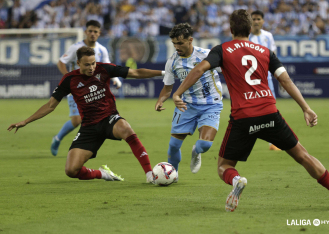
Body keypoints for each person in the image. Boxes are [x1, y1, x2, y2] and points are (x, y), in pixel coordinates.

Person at [172, 9, 329, 212]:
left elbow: (198, 69)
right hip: (269, 113)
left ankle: (237, 180)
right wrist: (306, 108)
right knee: (303, 155)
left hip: (243, 117)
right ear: (250, 29)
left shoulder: (222, 50)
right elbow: (285, 80)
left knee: (224, 166)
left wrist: (178, 93)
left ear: (231, 29)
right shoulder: (265, 51)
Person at [8, 46, 165, 183]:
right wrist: (25, 121)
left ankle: (150, 175)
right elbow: (50, 105)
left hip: (109, 119)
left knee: (126, 128)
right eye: (87, 64)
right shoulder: (69, 80)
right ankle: (102, 174)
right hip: (89, 127)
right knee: (71, 170)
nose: (91, 67)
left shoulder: (104, 69)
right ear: (78, 64)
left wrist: (164, 73)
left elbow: (136, 73)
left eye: (93, 63)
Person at [155, 23, 223, 181]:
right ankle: (173, 176)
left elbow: (228, 69)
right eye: (174, 43)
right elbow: (167, 88)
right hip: (186, 105)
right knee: (173, 146)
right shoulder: (172, 61)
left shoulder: (206, 55)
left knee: (204, 145)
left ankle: (196, 152)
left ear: (190, 40)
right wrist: (160, 100)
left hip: (211, 105)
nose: (176, 47)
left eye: (180, 43)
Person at [51, 20, 122, 156]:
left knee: (93, 119)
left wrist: (115, 78)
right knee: (77, 119)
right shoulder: (76, 48)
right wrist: (69, 79)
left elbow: (108, 68)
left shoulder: (102, 50)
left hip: (93, 91)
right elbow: (61, 62)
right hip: (77, 90)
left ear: (99, 33)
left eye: (95, 31)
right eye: (90, 31)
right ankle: (58, 139)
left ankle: (86, 148)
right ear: (85, 32)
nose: (92, 34)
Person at [249, 10, 280, 151]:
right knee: (251, 107)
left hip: (266, 77)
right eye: (254, 19)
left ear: (263, 21)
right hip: (249, 79)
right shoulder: (246, 37)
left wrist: (278, 75)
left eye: (258, 19)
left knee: (271, 106)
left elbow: (273, 56)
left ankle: (273, 142)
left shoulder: (268, 36)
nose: (256, 21)